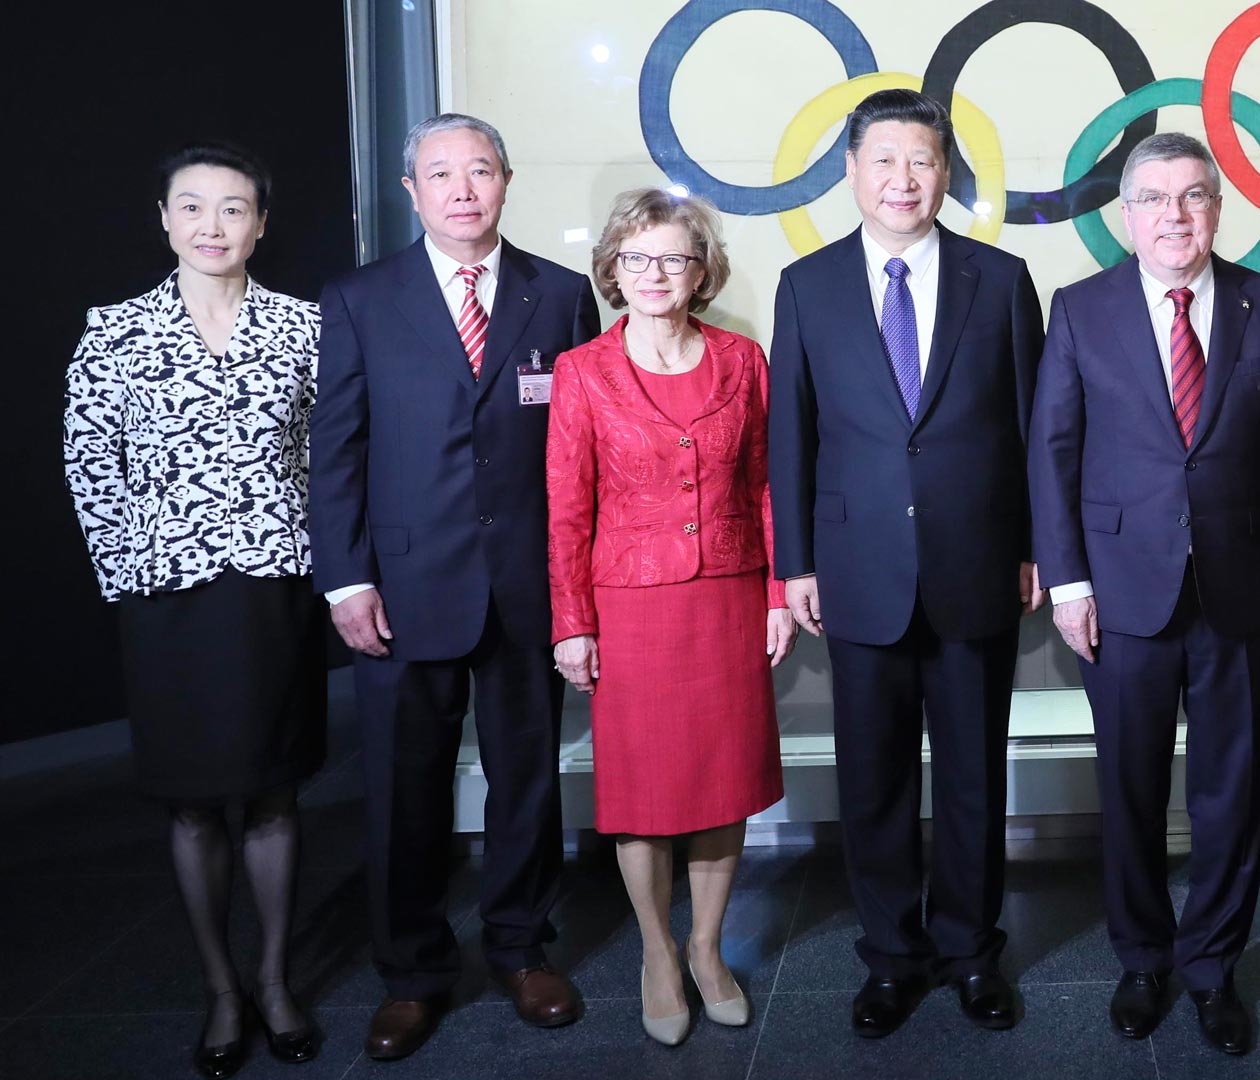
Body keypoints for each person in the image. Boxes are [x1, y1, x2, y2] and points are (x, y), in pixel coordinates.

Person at [309, 112, 601, 1061]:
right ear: (412, 192)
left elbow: (580, 449)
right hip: (401, 583)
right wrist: (346, 579)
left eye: (480, 170)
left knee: (527, 777)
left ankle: (521, 947)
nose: (463, 189)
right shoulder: (360, 298)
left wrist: (579, 581)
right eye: (441, 174)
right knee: (404, 787)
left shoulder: (560, 296)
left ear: (507, 181)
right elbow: (336, 449)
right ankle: (413, 972)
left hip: (526, 583)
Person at [1028, 132, 1260, 1056]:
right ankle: (1143, 958)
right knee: (1129, 785)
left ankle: (1212, 968)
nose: (1174, 215)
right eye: (1154, 199)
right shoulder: (1080, 309)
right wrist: (1068, 580)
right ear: (1126, 215)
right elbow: (1053, 452)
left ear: (1218, 209)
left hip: (1240, 584)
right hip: (1120, 591)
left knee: (1231, 788)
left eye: (1193, 196)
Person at [768, 88, 1044, 1038]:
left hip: (976, 564)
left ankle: (970, 952)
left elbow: (1032, 431)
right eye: (883, 160)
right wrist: (796, 562)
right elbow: (792, 434)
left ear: (945, 173)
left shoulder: (1000, 279)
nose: (902, 179)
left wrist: (1032, 548)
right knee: (874, 778)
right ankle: (890, 956)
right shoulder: (806, 286)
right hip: (856, 568)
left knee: (972, 774)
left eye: (921, 160)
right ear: (851, 171)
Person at [63, 142, 326, 1079]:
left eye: (233, 208)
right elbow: (91, 467)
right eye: (193, 206)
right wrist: (130, 575)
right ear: (164, 218)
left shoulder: (303, 328)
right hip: (166, 600)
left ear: (261, 223)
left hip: (272, 590)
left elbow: (325, 460)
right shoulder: (113, 331)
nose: (212, 226)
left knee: (275, 793)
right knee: (192, 805)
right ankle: (220, 989)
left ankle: (275, 980)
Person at [546, 188, 795, 1045]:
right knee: (642, 794)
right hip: (629, 606)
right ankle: (657, 953)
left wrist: (776, 594)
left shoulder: (744, 360)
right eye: (636, 258)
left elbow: (767, 485)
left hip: (727, 596)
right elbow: (566, 510)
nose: (654, 274)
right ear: (613, 269)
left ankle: (706, 949)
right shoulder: (582, 371)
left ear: (701, 272)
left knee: (724, 783)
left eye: (674, 258)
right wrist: (571, 623)